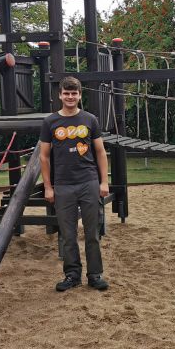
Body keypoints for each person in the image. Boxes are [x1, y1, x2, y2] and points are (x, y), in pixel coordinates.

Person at [39, 76, 110, 292]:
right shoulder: (50, 122)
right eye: (66, 93)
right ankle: (72, 275)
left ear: (80, 95)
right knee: (68, 234)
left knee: (92, 233)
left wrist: (104, 181)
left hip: (88, 181)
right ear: (60, 95)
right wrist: (48, 186)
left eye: (74, 93)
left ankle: (95, 274)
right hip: (63, 185)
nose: (70, 97)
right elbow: (44, 157)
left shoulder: (90, 119)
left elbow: (100, 151)